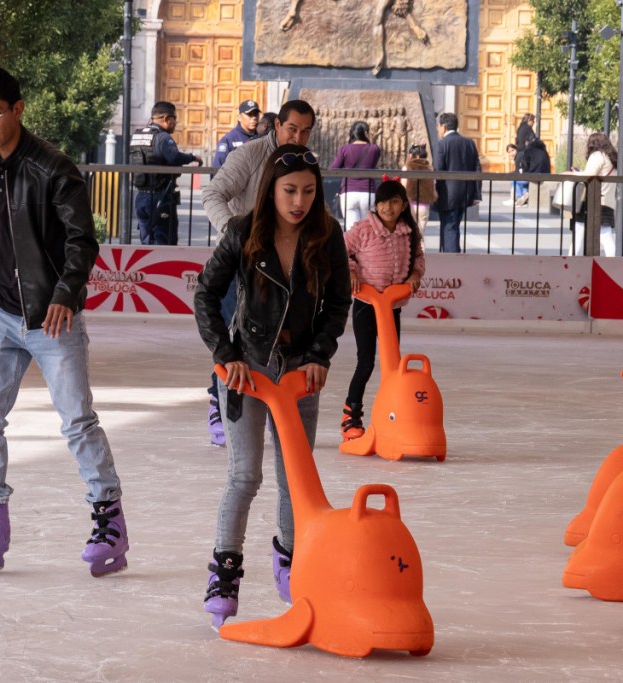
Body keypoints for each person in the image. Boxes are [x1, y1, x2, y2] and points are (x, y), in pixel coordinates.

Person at [0, 66, 128, 577]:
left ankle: (108, 519)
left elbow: (82, 241)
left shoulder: (54, 167)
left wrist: (66, 293)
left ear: (18, 109)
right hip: (2, 316)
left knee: (76, 421)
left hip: (52, 318)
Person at [194, 144, 352, 629]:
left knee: (293, 477)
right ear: (271, 190)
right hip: (248, 372)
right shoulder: (245, 232)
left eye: (307, 190)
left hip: (300, 375)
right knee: (245, 476)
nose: (298, 200)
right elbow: (205, 293)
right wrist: (226, 355)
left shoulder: (327, 236)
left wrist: (320, 356)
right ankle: (225, 571)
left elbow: (339, 301)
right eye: (289, 190)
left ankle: (290, 557)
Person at [200, 100, 316, 447]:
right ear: (277, 126)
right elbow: (212, 193)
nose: (298, 136)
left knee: (281, 335)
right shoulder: (250, 156)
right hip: (244, 267)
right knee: (238, 340)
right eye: (292, 129)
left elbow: (313, 208)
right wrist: (236, 235)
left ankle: (272, 407)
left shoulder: (303, 164)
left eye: (306, 131)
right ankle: (219, 404)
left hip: (284, 269)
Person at [340, 179, 425, 440]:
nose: (388, 207)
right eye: (383, 202)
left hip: (392, 307)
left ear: (402, 206)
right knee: (366, 361)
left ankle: (395, 412)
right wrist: (352, 273)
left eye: (394, 201)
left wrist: (414, 276)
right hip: (367, 305)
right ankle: (351, 415)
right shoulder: (364, 229)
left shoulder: (408, 232)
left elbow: (419, 258)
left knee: (393, 363)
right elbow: (341, 251)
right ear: (376, 205)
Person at [129, 101, 202, 245]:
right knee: (164, 241)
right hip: (159, 196)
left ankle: (148, 267)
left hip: (141, 197)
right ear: (167, 119)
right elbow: (174, 157)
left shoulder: (137, 136)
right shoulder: (162, 137)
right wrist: (192, 157)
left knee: (147, 241)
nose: (176, 123)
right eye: (175, 119)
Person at [433, 112, 481, 253]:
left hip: (448, 194)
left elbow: (437, 170)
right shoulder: (469, 143)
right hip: (465, 193)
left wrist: (433, 191)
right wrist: (476, 194)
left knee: (449, 227)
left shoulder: (442, 144)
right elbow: (477, 169)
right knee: (454, 225)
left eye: (439, 126)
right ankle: (453, 253)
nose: (438, 129)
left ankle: (451, 258)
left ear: (444, 126)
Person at [571, 132, 618, 257]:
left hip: (592, 202)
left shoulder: (597, 155)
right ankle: (612, 265)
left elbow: (589, 176)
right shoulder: (611, 159)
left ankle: (569, 263)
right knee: (606, 236)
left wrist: (573, 174)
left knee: (579, 235)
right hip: (607, 203)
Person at [330, 120, 381, 230]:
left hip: (349, 193)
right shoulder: (374, 149)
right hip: (368, 192)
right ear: (366, 133)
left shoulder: (344, 149)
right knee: (368, 231)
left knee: (352, 232)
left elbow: (334, 168)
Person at [401, 143, 437, 235]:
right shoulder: (430, 170)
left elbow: (403, 187)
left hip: (410, 206)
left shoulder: (406, 168)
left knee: (409, 237)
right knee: (420, 237)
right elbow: (433, 189)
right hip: (424, 206)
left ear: (411, 156)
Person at [213, 100, 260, 168]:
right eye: (250, 114)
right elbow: (217, 167)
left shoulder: (262, 138)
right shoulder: (229, 139)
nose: (254, 118)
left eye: (255, 114)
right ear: (239, 117)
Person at [519, 137, 551, 208]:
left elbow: (525, 165)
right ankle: (525, 194)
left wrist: (524, 171)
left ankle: (522, 195)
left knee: (515, 180)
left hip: (534, 175)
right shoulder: (544, 152)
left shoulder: (529, 151)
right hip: (546, 175)